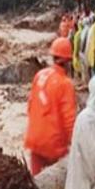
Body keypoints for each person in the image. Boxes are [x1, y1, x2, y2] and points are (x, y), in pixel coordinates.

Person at [24, 37, 78, 175]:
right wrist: (75, 145)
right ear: (68, 62)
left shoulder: (39, 75)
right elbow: (69, 121)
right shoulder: (65, 84)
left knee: (36, 184)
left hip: (34, 139)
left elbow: (30, 106)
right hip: (53, 146)